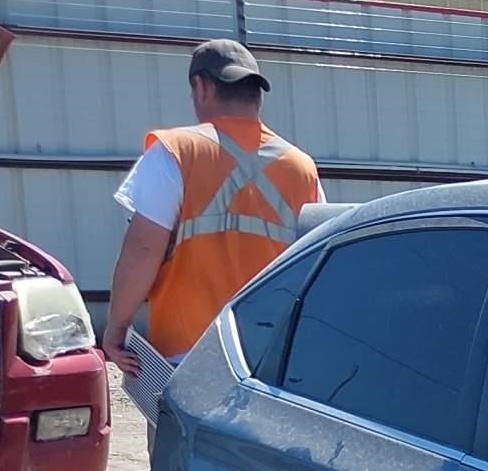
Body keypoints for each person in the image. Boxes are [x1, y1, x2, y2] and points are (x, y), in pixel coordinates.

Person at [100, 39, 323, 377]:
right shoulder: (301, 166)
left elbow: (144, 249)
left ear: (200, 87)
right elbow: (315, 262)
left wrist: (116, 330)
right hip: (270, 360)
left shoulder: (176, 151)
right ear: (256, 94)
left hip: (187, 356)